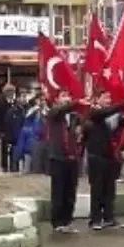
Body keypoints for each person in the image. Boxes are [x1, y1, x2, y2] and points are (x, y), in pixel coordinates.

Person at [82, 91, 124, 231]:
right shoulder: (93, 112)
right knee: (97, 189)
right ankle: (95, 219)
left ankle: (109, 217)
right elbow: (105, 112)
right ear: (97, 99)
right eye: (105, 97)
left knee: (109, 189)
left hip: (111, 155)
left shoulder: (114, 116)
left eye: (110, 97)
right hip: (96, 156)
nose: (109, 100)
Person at [44, 92, 81, 234]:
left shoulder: (74, 117)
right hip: (58, 157)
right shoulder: (54, 114)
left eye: (69, 96)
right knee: (58, 191)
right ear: (57, 99)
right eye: (63, 96)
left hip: (73, 158)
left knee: (70, 191)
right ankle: (57, 222)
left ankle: (67, 220)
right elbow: (61, 110)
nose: (67, 98)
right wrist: (77, 102)